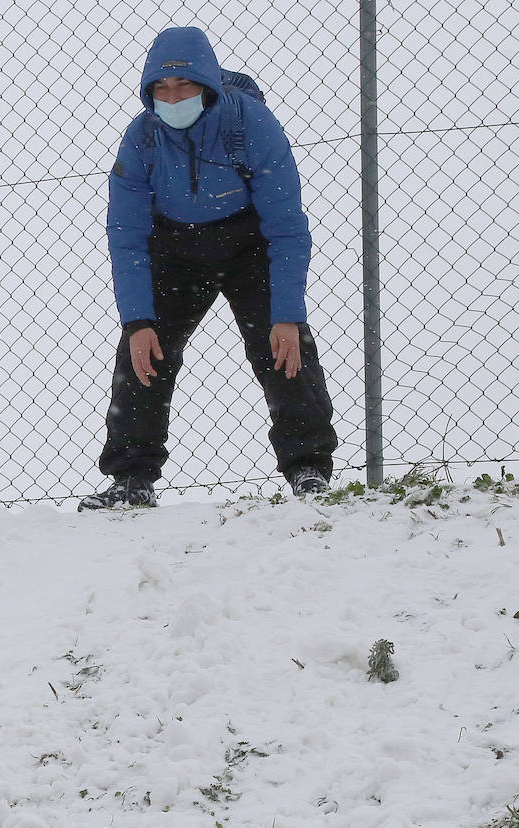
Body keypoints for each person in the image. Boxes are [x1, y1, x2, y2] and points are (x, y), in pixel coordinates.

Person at [81, 26, 338, 509]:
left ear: (209, 86)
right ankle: (131, 478)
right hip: (175, 251)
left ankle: (308, 469)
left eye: (184, 87)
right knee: (144, 353)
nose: (172, 97)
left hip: (249, 244)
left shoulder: (252, 125)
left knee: (283, 346)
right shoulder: (141, 140)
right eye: (160, 88)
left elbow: (286, 227)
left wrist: (286, 312)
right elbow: (127, 236)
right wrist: (138, 321)